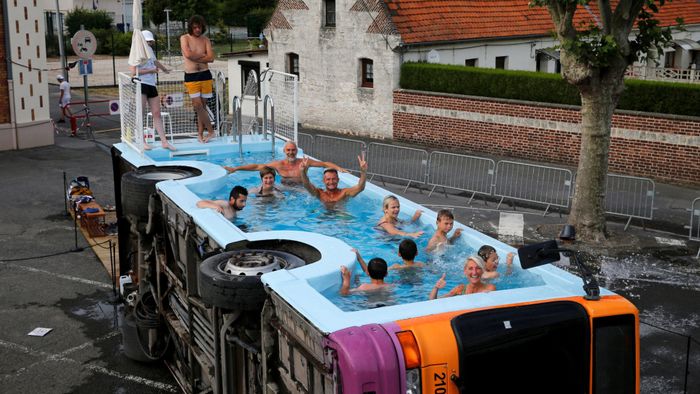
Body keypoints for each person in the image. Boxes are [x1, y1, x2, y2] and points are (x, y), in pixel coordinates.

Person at [129, 30, 176, 151]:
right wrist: (151, 71)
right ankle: (142, 140)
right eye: (147, 41)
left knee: (156, 113)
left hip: (151, 84)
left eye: (150, 42)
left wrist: (165, 69)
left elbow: (155, 62)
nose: (149, 44)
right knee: (141, 113)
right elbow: (133, 72)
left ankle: (164, 141)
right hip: (141, 84)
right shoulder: (135, 51)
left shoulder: (149, 50)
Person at [224, 141, 346, 184]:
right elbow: (256, 166)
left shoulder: (304, 162)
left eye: (293, 150)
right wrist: (236, 169)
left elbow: (324, 164)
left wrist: (339, 168)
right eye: (288, 150)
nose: (291, 152)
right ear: (284, 151)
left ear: (297, 151)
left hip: (301, 188)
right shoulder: (278, 165)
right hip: (284, 188)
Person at [180, 15, 215, 143]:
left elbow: (211, 58)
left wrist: (197, 57)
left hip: (205, 75)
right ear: (191, 28)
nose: (197, 30)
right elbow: (188, 55)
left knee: (203, 106)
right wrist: (202, 55)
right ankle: (211, 131)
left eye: (199, 27)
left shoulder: (205, 40)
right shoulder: (184, 38)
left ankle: (200, 134)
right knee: (198, 105)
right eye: (195, 27)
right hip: (191, 75)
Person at [300, 152, 367, 204]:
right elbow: (307, 185)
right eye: (328, 179)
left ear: (338, 180)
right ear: (323, 180)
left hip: (339, 214)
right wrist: (303, 172)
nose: (331, 182)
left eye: (334, 179)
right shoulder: (319, 193)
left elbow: (360, 187)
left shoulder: (344, 193)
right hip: (323, 214)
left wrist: (363, 171)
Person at [429, 255, 495, 299]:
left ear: (483, 270)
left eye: (478, 268)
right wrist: (436, 288)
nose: (474, 272)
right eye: (470, 268)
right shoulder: (460, 289)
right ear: (465, 271)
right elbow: (434, 301)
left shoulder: (490, 288)